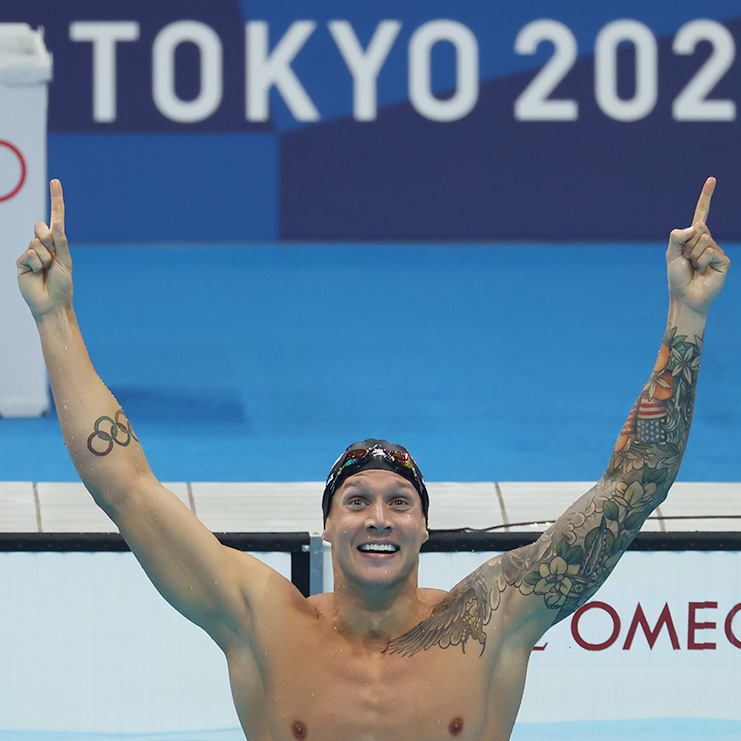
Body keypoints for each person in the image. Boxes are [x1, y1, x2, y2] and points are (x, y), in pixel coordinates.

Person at [17, 178, 729, 740]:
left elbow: (635, 485)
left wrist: (686, 314)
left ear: (424, 527)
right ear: (326, 527)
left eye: (398, 501)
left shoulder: (496, 613)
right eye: (355, 501)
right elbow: (126, 487)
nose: (377, 516)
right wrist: (55, 317)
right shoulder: (261, 620)